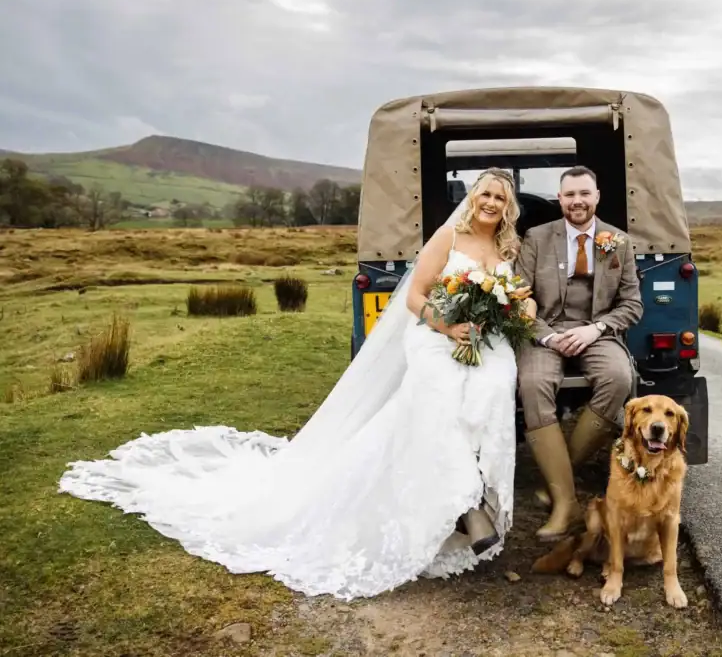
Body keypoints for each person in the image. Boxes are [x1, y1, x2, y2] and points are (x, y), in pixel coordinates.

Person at [58, 168, 525, 601]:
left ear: (508, 207)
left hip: (486, 342)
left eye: (499, 197)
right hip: (436, 338)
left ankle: (479, 491)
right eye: (484, 192)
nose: (490, 201)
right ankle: (468, 507)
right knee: (439, 394)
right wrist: (448, 328)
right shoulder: (450, 236)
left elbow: (515, 300)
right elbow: (418, 298)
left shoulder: (508, 247)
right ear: (472, 196)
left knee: (495, 387)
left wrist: (508, 314)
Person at [514, 165, 643, 540]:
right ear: (560, 199)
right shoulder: (536, 238)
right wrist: (549, 338)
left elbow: (631, 304)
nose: (577, 202)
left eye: (584, 194)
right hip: (545, 332)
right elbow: (519, 298)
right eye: (570, 195)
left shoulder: (617, 241)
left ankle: (559, 486)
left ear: (597, 197)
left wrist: (597, 329)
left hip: (596, 332)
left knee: (619, 378)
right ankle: (566, 504)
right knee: (534, 383)